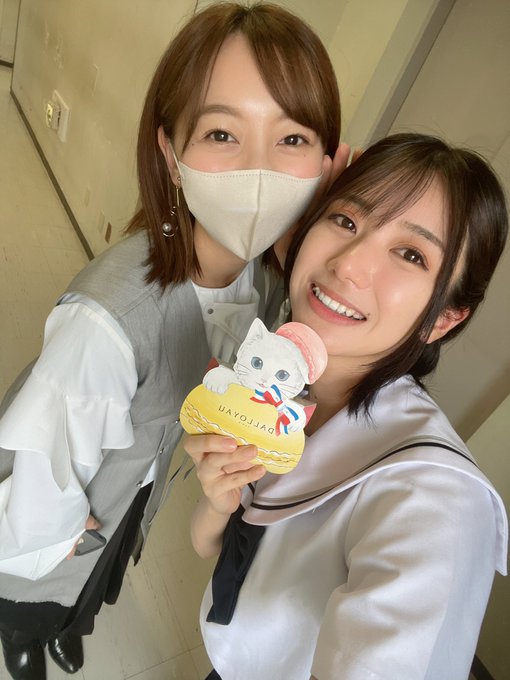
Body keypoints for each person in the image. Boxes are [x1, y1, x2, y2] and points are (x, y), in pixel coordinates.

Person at [0, 3, 345, 679]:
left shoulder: (264, 280)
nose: (258, 171)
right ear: (171, 154)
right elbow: (39, 476)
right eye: (222, 133)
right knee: (44, 587)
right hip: (64, 511)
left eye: (292, 138)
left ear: (325, 163)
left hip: (134, 493)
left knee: (100, 579)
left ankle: (69, 623)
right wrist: (62, 535)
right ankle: (25, 635)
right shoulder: (109, 318)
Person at [187, 133, 509, 680]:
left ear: (444, 319)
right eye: (345, 220)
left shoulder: (434, 501)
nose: (349, 265)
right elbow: (211, 547)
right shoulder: (281, 387)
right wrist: (220, 497)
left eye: (411, 254)